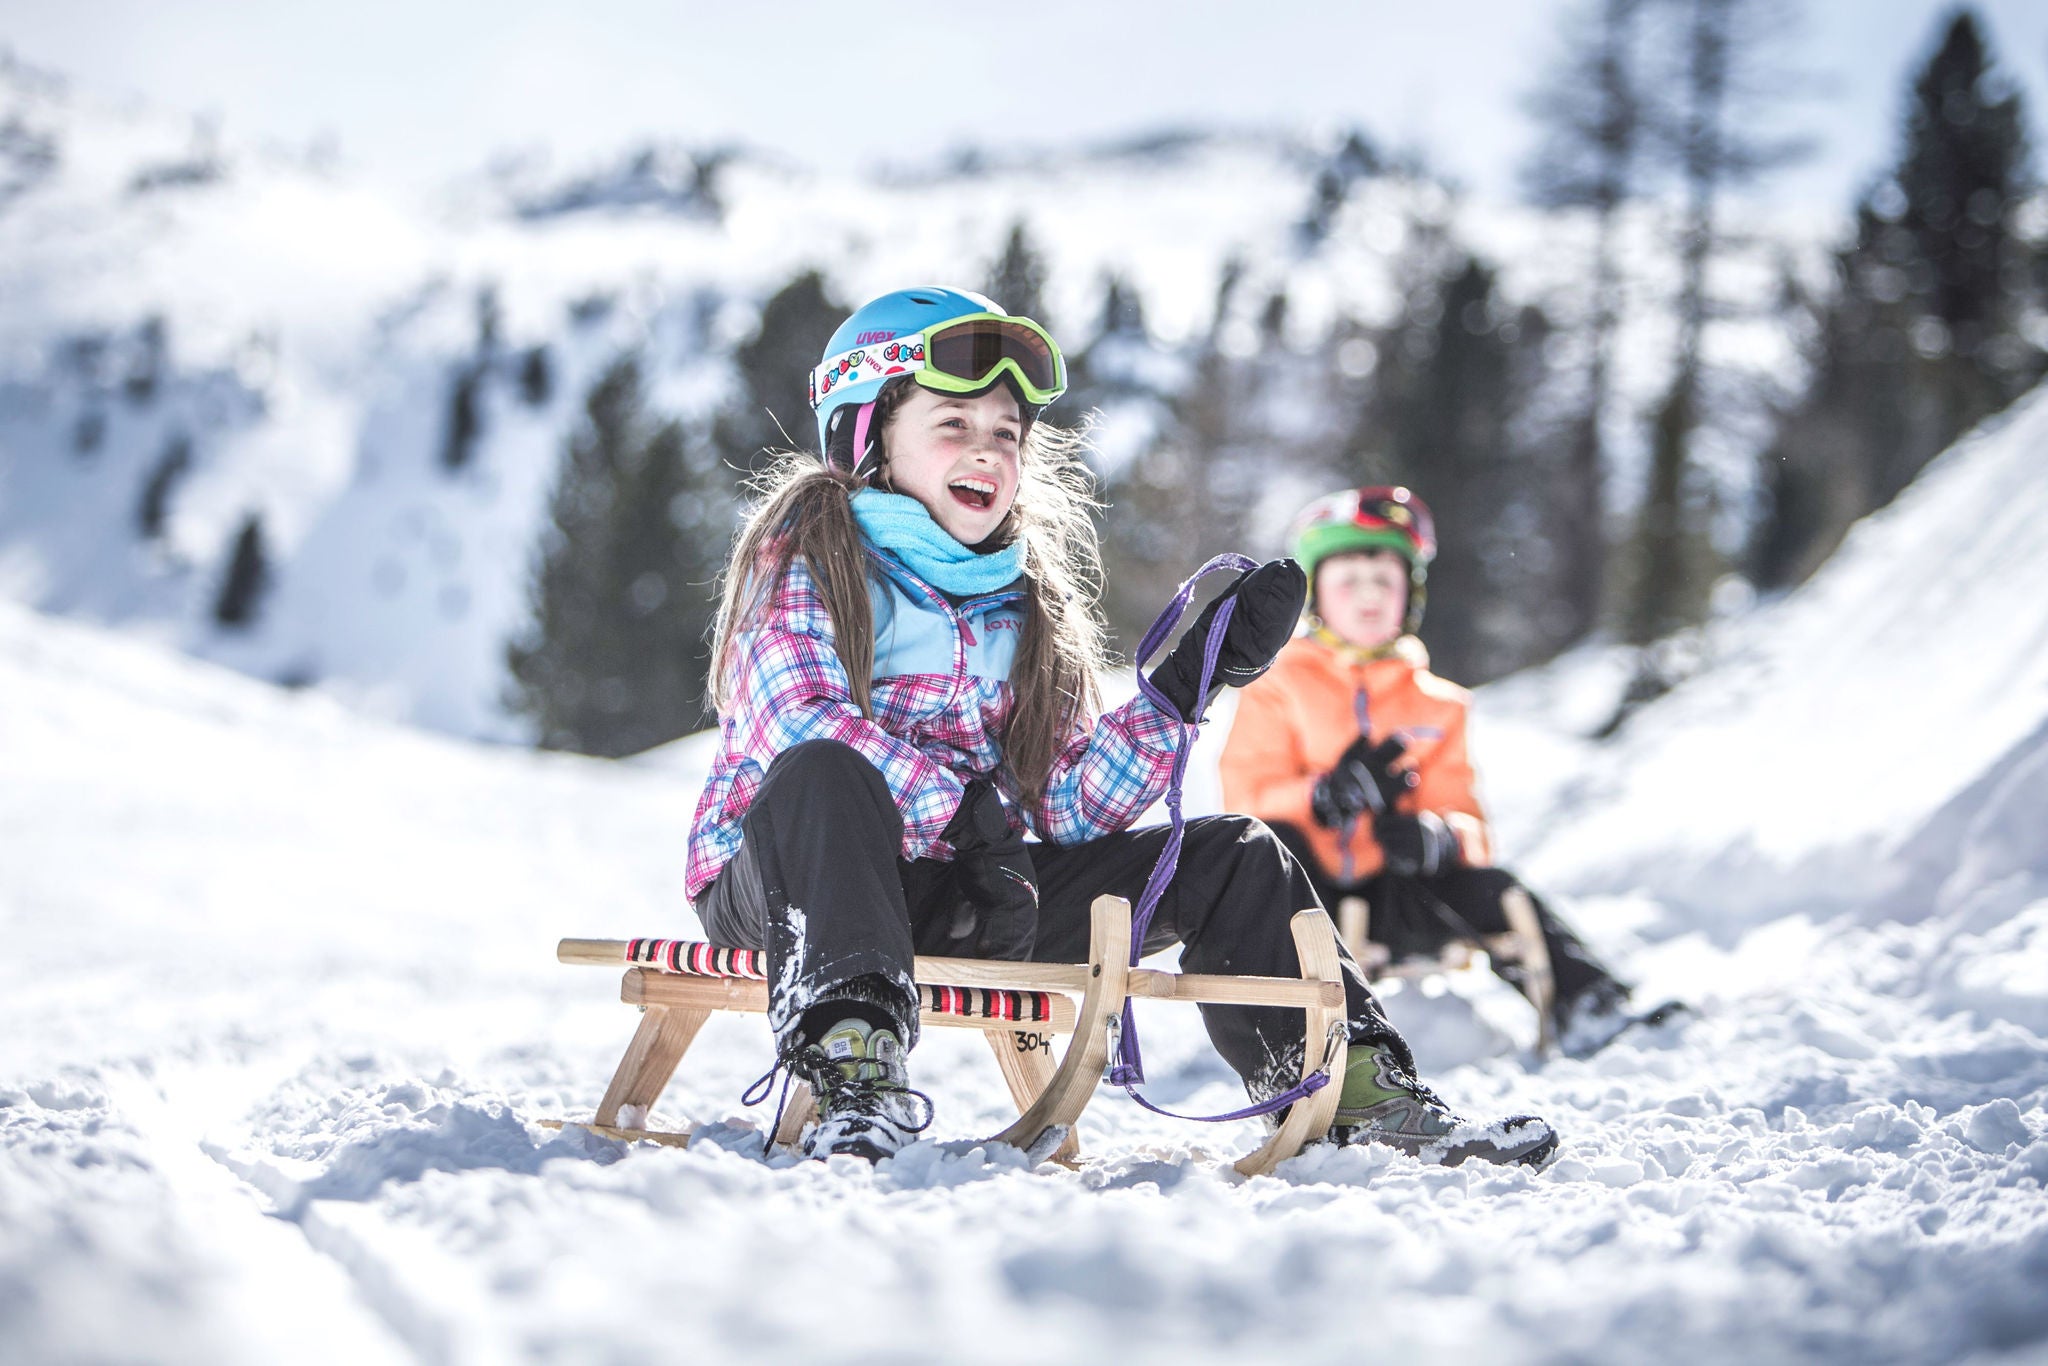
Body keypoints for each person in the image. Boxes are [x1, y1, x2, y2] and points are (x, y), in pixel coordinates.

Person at [687, 287, 1557, 1167]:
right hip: (793, 888)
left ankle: (1355, 1089)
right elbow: (796, 722)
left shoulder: (1022, 601)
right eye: (953, 425)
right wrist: (960, 812)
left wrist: (1181, 692)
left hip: (974, 893)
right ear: (864, 433)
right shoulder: (807, 558)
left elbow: (1067, 805)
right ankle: (851, 1071)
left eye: (1005, 434)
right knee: (826, 772)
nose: (986, 451)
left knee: (1236, 856)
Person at [1220, 486, 1683, 1057]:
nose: (1368, 597)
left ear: (1409, 594)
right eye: (1349, 582)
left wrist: (1439, 836)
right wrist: (1322, 795)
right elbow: (1244, 794)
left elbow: (1468, 816)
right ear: (1318, 596)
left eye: (1384, 582)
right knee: (1271, 844)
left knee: (1492, 886)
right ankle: (1284, 1034)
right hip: (1309, 902)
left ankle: (1589, 1005)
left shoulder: (1439, 705)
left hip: (1396, 894)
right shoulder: (1278, 685)